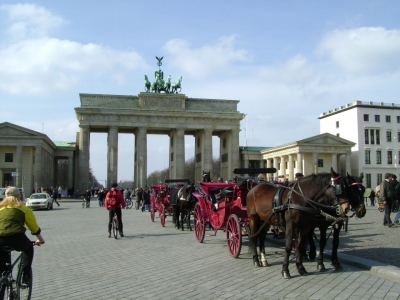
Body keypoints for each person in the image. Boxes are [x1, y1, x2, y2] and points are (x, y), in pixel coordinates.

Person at [0, 187, 45, 284]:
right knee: (28, 248)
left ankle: (2, 278)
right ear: (18, 196)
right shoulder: (24, 209)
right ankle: (26, 275)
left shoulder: (0, 208)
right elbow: (34, 228)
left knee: (2, 265)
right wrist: (40, 240)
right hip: (17, 238)